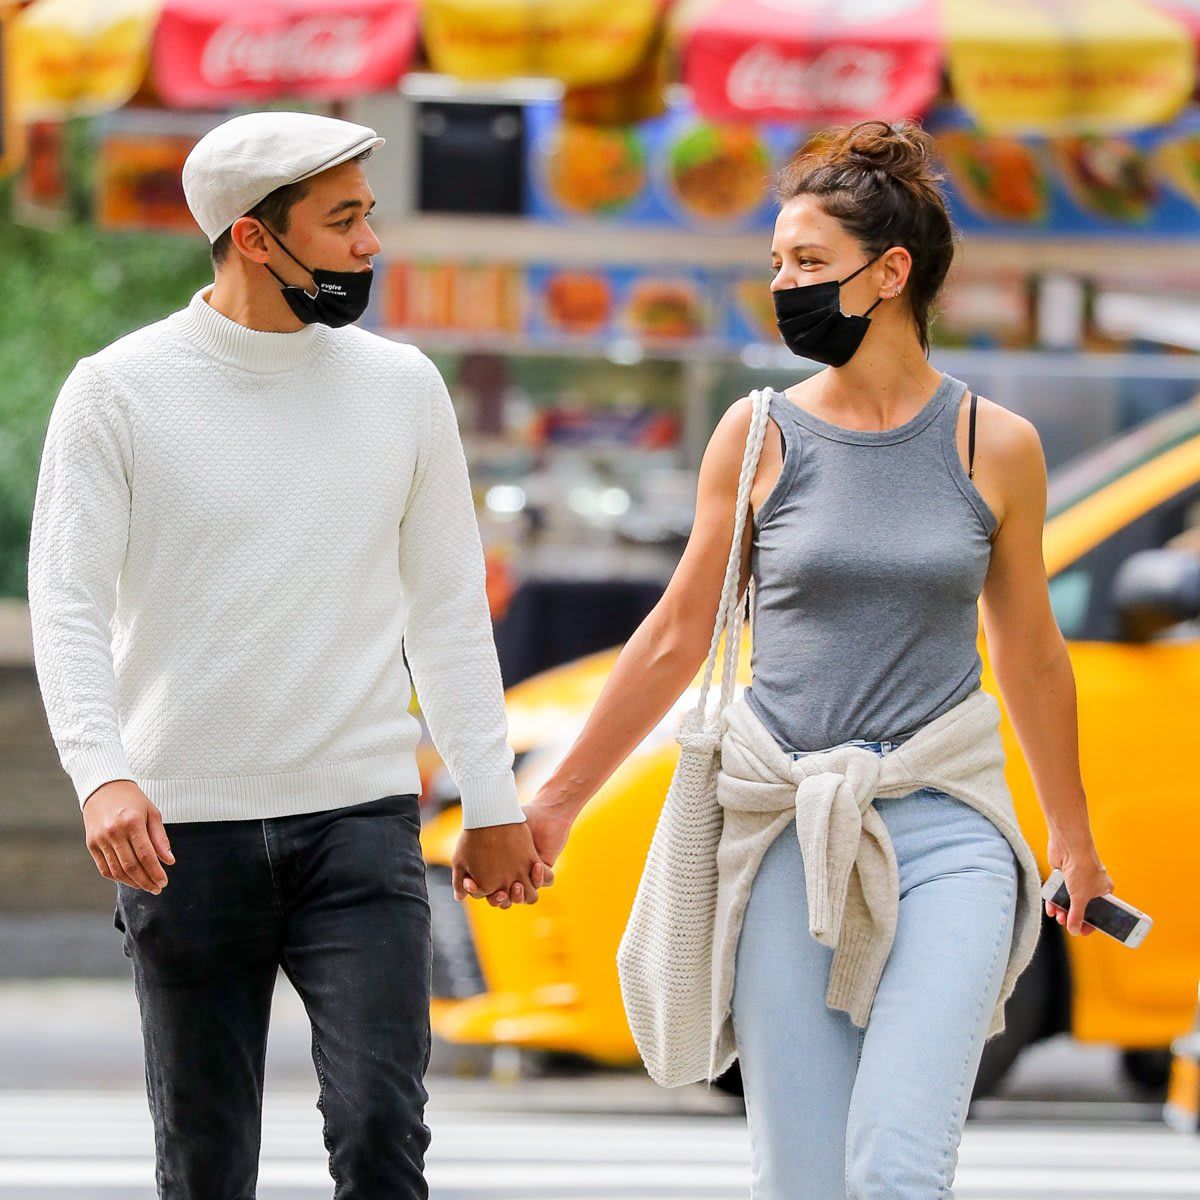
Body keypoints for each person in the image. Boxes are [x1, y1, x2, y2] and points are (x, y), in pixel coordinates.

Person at [459, 120, 1114, 1196]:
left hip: (947, 820)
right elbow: (676, 634)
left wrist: (1073, 842)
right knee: (800, 1176)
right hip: (779, 829)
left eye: (809, 263)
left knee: (899, 1164)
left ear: (890, 273)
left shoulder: (994, 445)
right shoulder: (757, 435)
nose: (783, 285)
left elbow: (1032, 654)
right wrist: (556, 804)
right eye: (776, 263)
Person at [27, 110, 551, 1200]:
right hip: (183, 832)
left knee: (378, 1133)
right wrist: (101, 773)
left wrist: (492, 801)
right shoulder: (116, 391)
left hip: (356, 823)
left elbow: (447, 610)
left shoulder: (403, 389)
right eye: (346, 218)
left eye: (369, 214)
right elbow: (65, 604)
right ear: (256, 238)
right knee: (207, 1161)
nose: (372, 243)